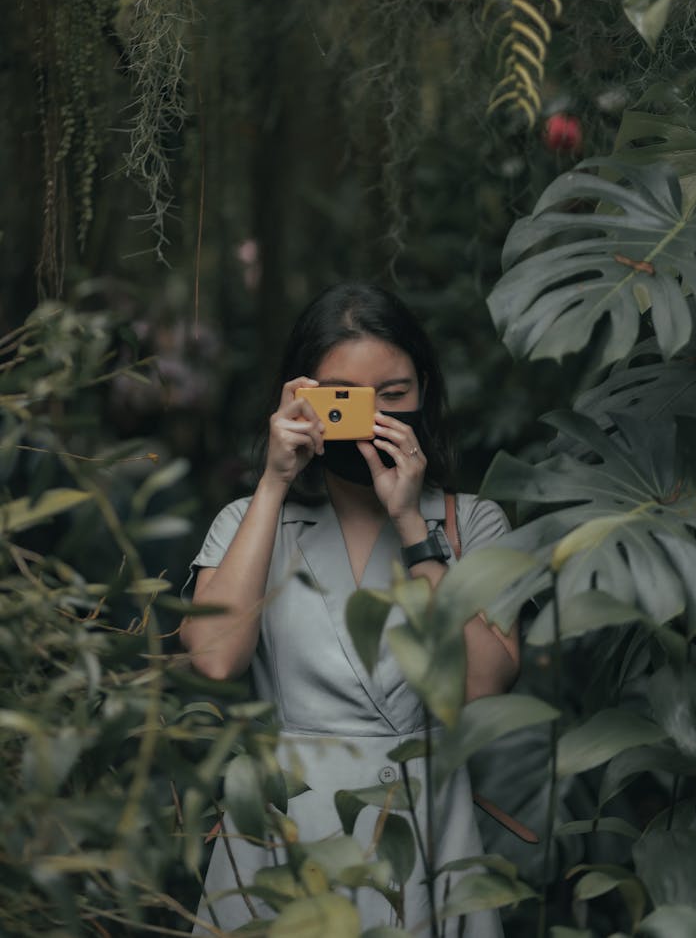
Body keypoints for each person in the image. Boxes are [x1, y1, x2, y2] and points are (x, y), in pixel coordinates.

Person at [180, 282, 521, 936]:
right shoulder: (253, 522)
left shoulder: (471, 521)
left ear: (425, 388)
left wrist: (413, 528)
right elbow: (216, 658)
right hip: (286, 831)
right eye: (344, 401)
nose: (369, 420)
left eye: (392, 396)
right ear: (299, 399)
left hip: (426, 834)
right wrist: (274, 479)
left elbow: (482, 686)